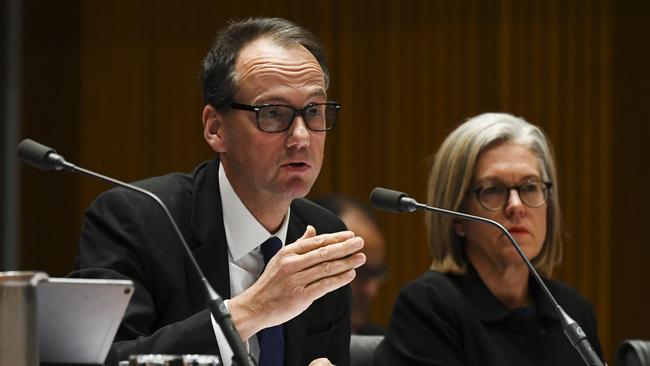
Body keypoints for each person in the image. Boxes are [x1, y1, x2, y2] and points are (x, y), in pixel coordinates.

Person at [69, 17, 366, 366]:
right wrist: (250, 311)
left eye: (313, 111)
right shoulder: (135, 221)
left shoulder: (324, 234)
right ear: (215, 128)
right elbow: (98, 359)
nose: (301, 137)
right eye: (272, 113)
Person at [374, 113, 603, 365]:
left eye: (529, 187)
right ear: (457, 216)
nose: (516, 206)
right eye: (493, 190)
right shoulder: (429, 307)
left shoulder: (573, 308)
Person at [313, 195, 387, 335]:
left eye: (376, 274)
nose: (371, 290)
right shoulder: (278, 339)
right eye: (359, 272)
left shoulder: (382, 345)